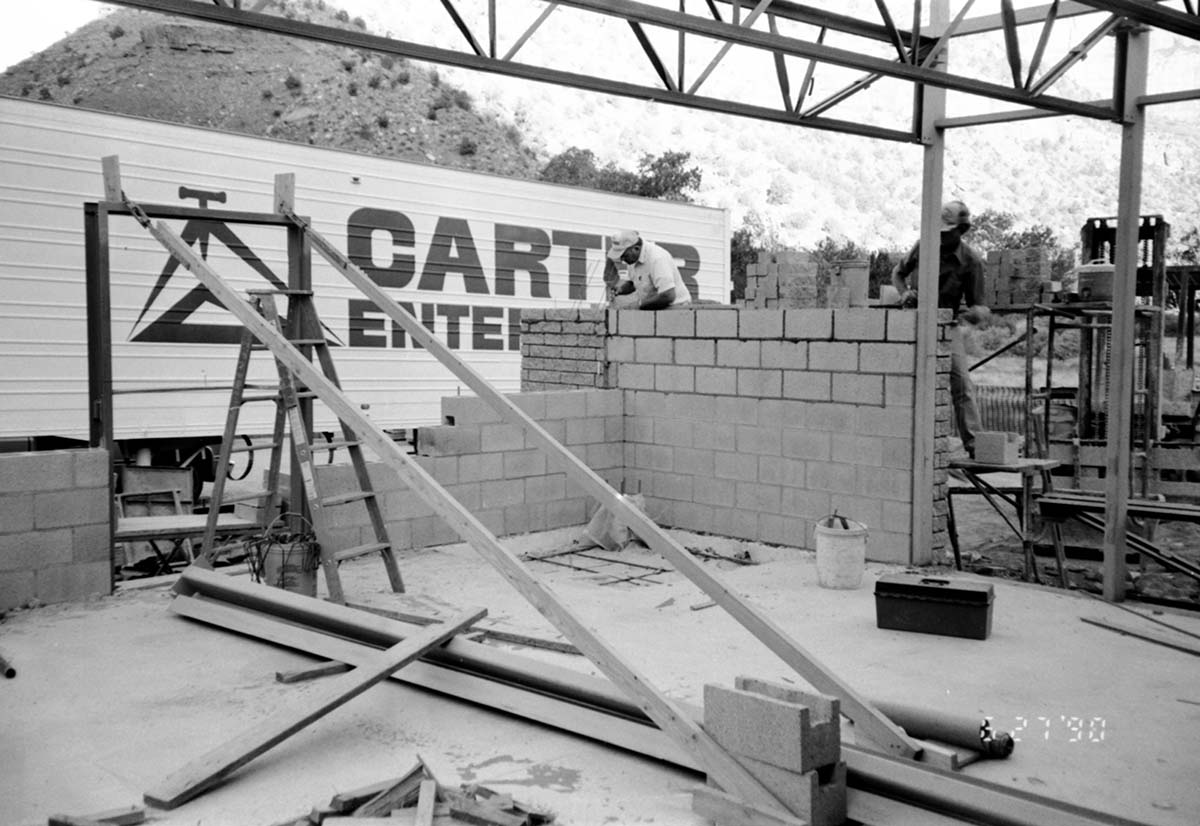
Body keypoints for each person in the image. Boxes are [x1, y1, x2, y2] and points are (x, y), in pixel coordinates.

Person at [891, 200, 991, 459]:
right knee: (904, 380)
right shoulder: (924, 246)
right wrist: (905, 294)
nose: (943, 238)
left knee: (961, 383)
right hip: (915, 321)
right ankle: (901, 438)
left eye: (948, 233)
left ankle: (974, 444)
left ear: (962, 230)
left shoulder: (971, 261)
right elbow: (898, 273)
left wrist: (973, 315)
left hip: (949, 325)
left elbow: (980, 308)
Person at [607, 230, 692, 310]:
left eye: (624, 255)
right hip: (657, 308)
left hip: (676, 308)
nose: (623, 260)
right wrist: (620, 290)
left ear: (636, 248)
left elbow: (668, 295)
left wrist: (639, 305)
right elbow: (633, 283)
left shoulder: (657, 259)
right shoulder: (632, 259)